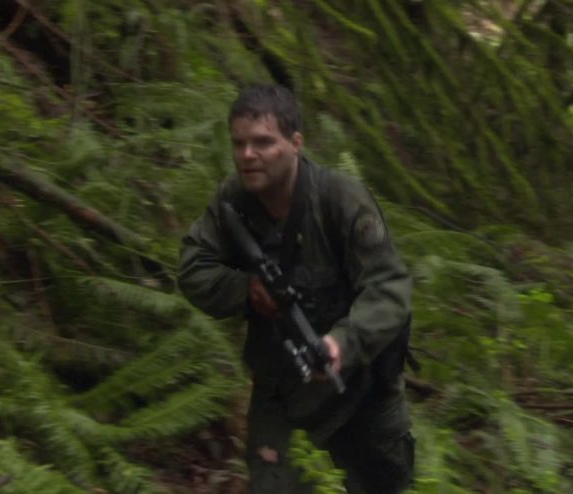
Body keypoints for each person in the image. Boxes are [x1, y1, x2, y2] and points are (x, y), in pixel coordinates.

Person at [178, 84, 415, 494]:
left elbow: (389, 287)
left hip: (361, 388)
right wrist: (246, 289)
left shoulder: (340, 200)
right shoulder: (233, 202)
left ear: (296, 143)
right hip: (282, 389)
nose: (247, 155)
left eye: (263, 143)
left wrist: (343, 343)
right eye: (239, 144)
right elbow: (192, 268)